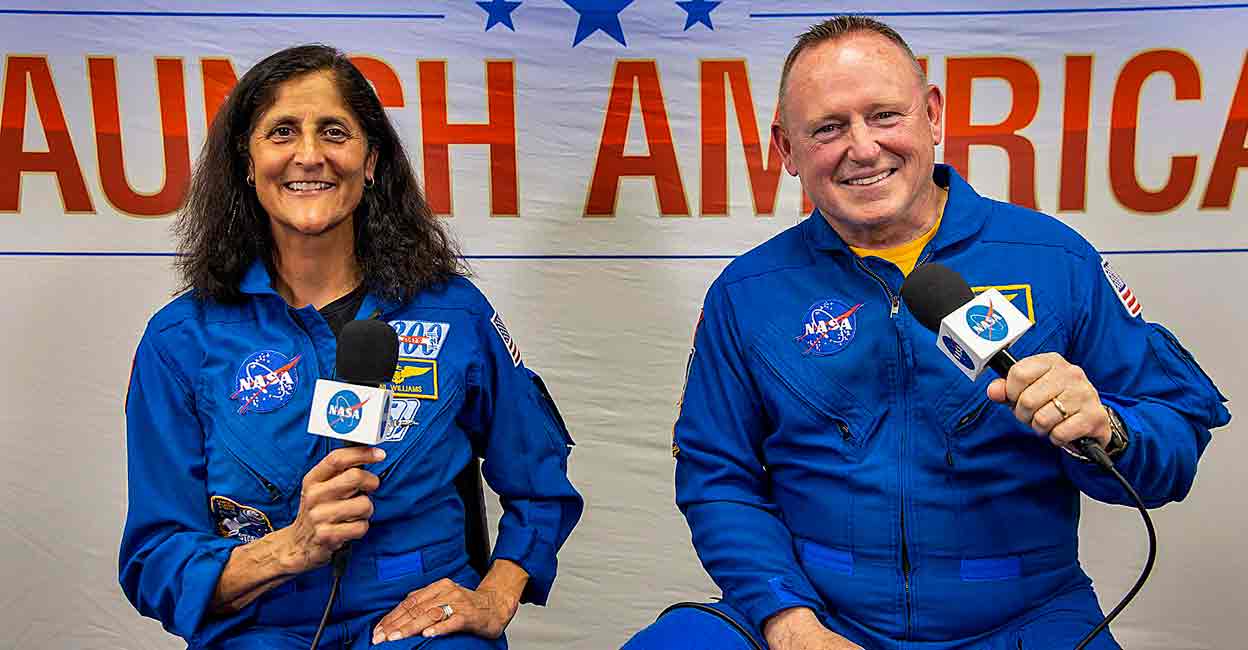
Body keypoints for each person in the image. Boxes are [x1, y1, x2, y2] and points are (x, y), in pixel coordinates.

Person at [623, 16, 1229, 650]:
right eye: (828, 128)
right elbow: (717, 478)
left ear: (932, 115)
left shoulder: (1054, 258)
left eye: (885, 115)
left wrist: (1110, 427)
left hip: (1026, 617)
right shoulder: (747, 295)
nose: (861, 148)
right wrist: (790, 622)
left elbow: (1175, 432)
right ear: (786, 149)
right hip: (821, 615)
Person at [119, 45, 583, 649]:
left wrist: (495, 595)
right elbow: (155, 560)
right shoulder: (182, 339)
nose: (308, 155)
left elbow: (540, 481)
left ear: (370, 162)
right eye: (282, 131)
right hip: (262, 629)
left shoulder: (454, 313)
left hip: (416, 626)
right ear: (246, 162)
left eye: (334, 131)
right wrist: (290, 548)